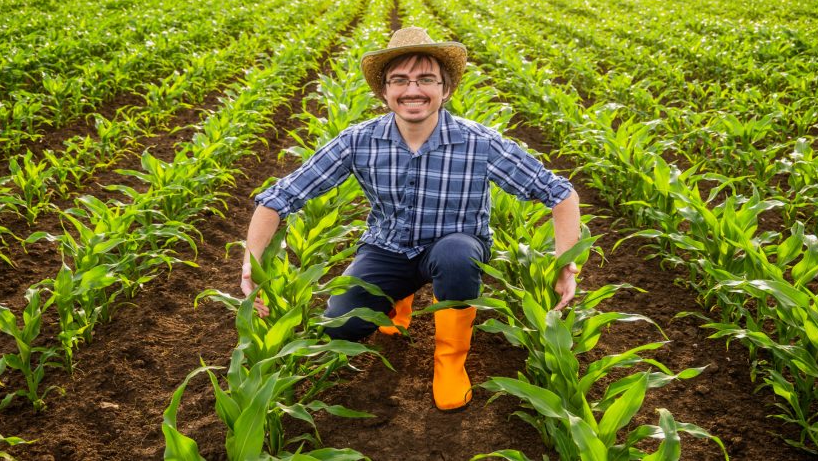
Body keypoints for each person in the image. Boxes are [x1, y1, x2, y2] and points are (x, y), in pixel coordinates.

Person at [240, 27, 580, 411]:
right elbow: (278, 198)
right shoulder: (358, 140)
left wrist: (565, 264)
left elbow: (560, 194)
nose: (412, 89)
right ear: (384, 92)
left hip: (456, 244)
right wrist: (252, 264)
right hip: (387, 248)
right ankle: (396, 299)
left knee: (456, 256)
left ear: (446, 89)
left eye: (426, 79)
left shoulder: (479, 142)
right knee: (339, 325)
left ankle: (450, 362)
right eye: (399, 80)